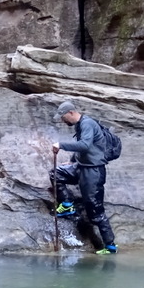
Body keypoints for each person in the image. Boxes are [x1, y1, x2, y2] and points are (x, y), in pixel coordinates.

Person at [52, 100, 118, 255]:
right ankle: (67, 205)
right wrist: (73, 160)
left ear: (71, 113)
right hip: (82, 167)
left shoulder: (87, 124)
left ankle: (110, 246)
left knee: (95, 210)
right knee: (56, 173)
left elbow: (85, 145)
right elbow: (84, 146)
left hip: (93, 172)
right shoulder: (80, 124)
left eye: (63, 117)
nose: (62, 120)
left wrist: (61, 145)